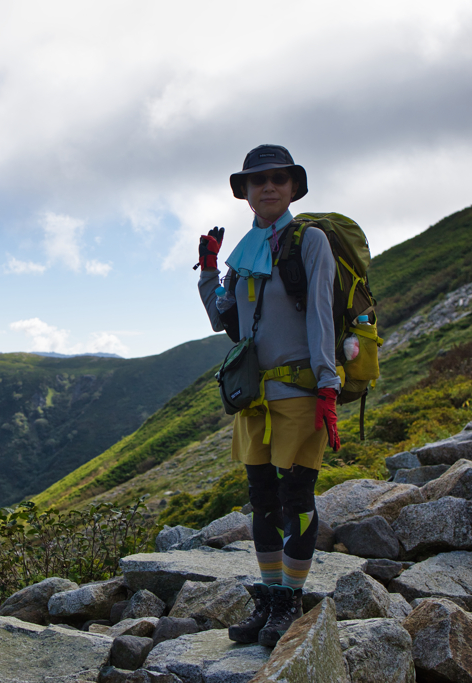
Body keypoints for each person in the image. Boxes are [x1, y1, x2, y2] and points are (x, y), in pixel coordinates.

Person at [195, 144, 341, 647]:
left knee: (294, 498)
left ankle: (291, 603)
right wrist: (210, 270)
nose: (269, 186)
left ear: (293, 186)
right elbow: (226, 322)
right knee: (261, 501)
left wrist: (328, 384)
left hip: (301, 393)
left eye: (279, 178)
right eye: (258, 181)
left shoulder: (311, 241)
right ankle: (270, 598)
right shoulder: (245, 252)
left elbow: (322, 313)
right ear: (246, 194)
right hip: (254, 398)